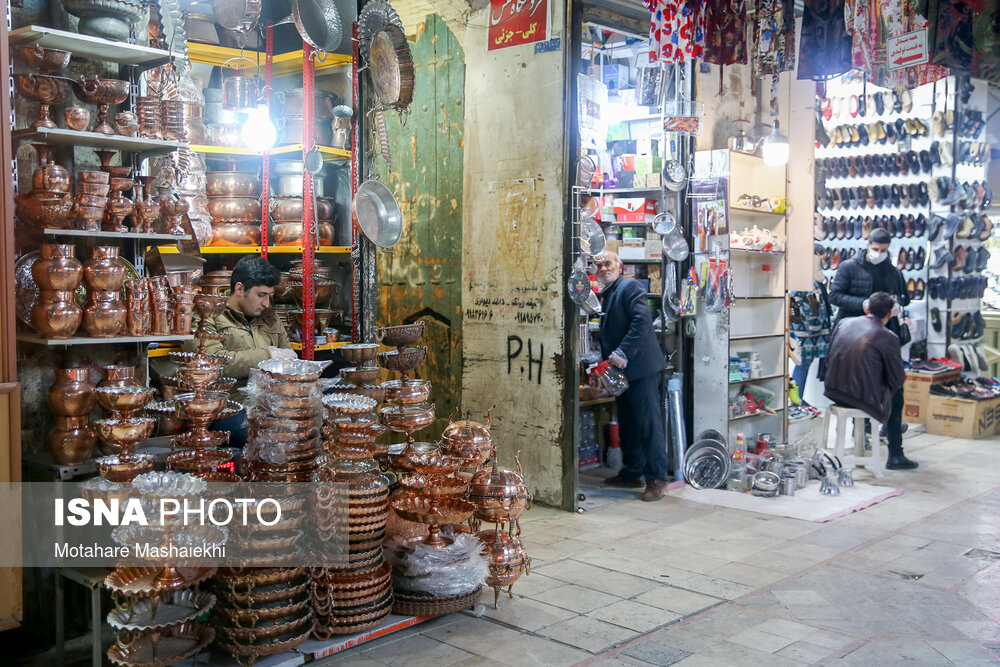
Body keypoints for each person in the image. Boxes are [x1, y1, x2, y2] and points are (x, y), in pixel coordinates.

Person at [181, 256, 295, 447]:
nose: (267, 303)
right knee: (259, 435)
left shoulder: (270, 318)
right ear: (240, 289)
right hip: (227, 406)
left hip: (272, 403)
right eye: (261, 295)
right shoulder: (208, 317)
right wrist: (269, 356)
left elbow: (290, 359)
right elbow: (212, 364)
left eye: (269, 295)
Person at [593, 250, 668, 501]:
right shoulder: (609, 292)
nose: (603, 268)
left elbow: (641, 322)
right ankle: (632, 472)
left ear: (620, 266)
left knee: (647, 424)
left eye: (608, 263)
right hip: (623, 371)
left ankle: (656, 478)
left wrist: (624, 351)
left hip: (640, 368)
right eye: (599, 265)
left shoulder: (630, 287)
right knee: (628, 423)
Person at [829, 227, 910, 443]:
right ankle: (865, 430)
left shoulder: (892, 271)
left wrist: (896, 306)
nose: (878, 252)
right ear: (868, 245)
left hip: (881, 330)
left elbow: (904, 298)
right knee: (864, 378)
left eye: (883, 250)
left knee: (884, 378)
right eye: (875, 248)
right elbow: (834, 296)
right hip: (854, 331)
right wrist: (861, 304)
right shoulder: (848, 267)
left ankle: (883, 424)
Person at [823, 292, 917, 469]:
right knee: (898, 396)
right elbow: (897, 379)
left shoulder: (844, 323)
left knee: (884, 388)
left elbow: (829, 357)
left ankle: (870, 440)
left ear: (867, 308)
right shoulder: (887, 336)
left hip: (833, 391)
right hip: (860, 399)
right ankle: (896, 454)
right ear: (890, 314)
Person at [789, 242, 833, 402]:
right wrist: (812, 319)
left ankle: (797, 398)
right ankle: (796, 399)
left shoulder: (812, 276)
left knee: (805, 363)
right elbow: (798, 299)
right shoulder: (803, 276)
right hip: (806, 328)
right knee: (803, 362)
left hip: (812, 327)